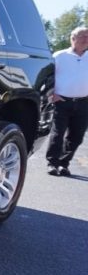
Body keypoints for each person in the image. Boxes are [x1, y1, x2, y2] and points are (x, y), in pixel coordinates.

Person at [46, 26, 88, 176]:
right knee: (58, 134)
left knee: (77, 136)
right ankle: (52, 163)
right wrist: (52, 94)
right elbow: (48, 77)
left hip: (83, 102)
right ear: (73, 38)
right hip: (62, 101)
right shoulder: (59, 56)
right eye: (83, 36)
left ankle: (64, 163)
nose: (86, 39)